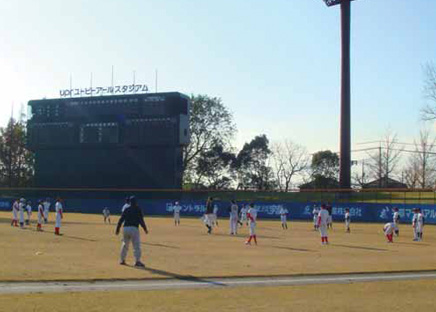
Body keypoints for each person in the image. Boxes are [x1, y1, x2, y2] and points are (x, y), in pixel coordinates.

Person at [116, 196, 148, 267]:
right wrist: (145, 229)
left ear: (130, 202)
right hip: (134, 228)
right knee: (136, 246)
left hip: (125, 228)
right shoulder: (138, 209)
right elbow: (141, 220)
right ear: (136, 202)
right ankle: (137, 261)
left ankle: (122, 260)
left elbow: (121, 219)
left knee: (124, 245)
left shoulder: (126, 209)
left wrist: (117, 229)